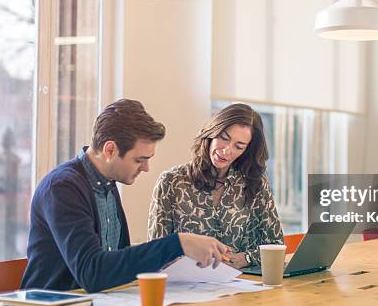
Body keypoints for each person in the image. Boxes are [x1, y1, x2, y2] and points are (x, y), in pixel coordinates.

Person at [21, 99, 229, 293]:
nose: (146, 168)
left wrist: (175, 255)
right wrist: (177, 243)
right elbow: (92, 273)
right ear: (110, 149)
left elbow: (116, 260)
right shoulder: (63, 188)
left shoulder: (107, 183)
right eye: (139, 160)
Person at [148, 103, 284, 269]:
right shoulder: (171, 182)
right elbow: (155, 251)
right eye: (224, 138)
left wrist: (246, 258)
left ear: (247, 150)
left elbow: (276, 247)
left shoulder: (255, 184)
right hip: (184, 287)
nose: (227, 150)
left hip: (242, 287)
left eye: (238, 146)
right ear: (212, 132)